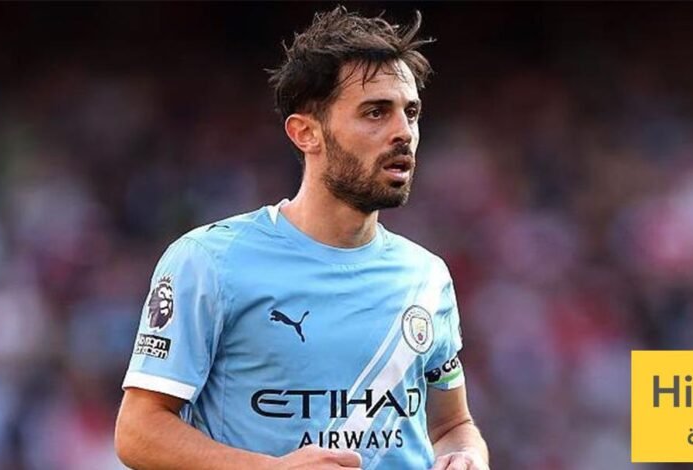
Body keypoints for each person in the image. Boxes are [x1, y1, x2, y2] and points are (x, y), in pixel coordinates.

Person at [115, 6, 489, 470]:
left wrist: (466, 456)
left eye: (410, 113)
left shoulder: (427, 276)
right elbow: (138, 430)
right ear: (306, 133)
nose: (403, 133)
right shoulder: (209, 261)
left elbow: (451, 425)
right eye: (376, 112)